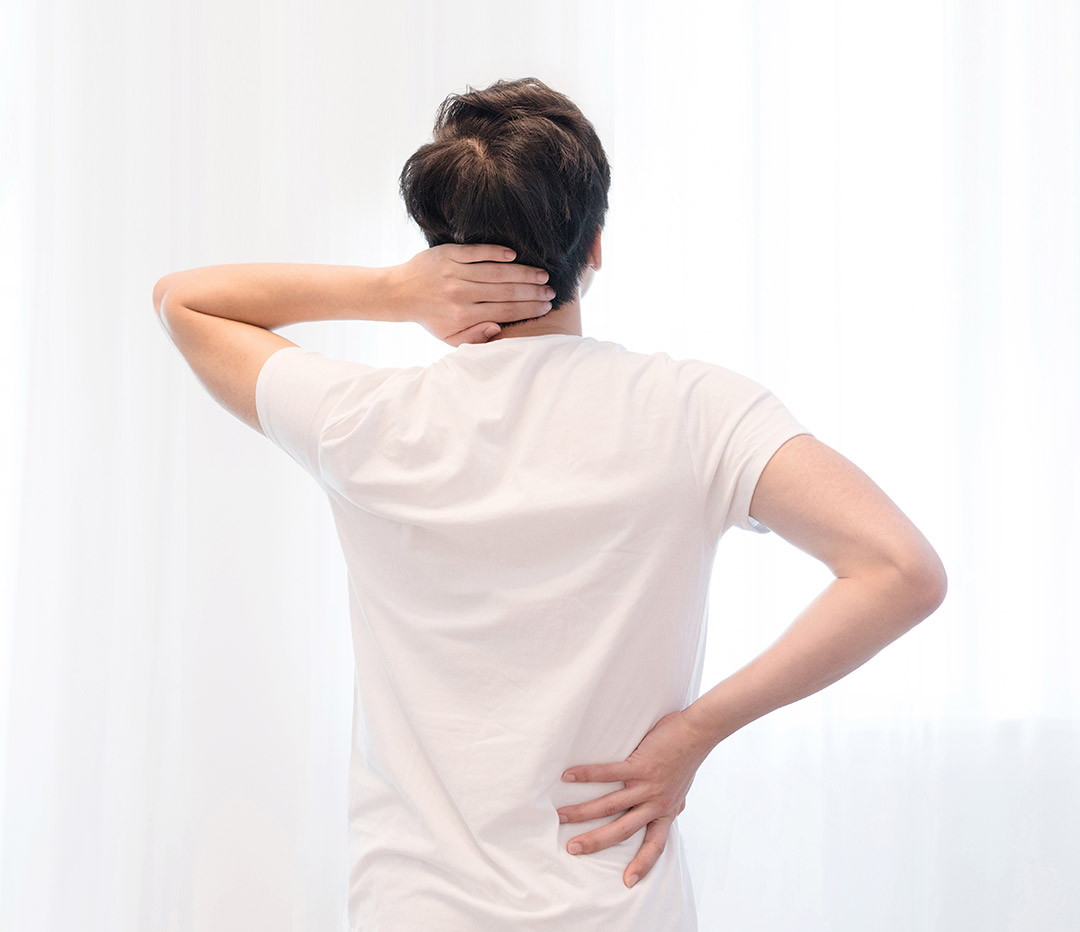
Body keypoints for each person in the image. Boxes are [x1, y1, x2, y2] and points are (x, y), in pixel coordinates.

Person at [152, 77, 947, 932]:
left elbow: (184, 301)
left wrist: (394, 292)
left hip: (414, 908)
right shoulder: (692, 412)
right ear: (594, 244)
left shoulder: (366, 421)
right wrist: (697, 732)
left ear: (441, 251)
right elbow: (900, 571)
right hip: (613, 904)